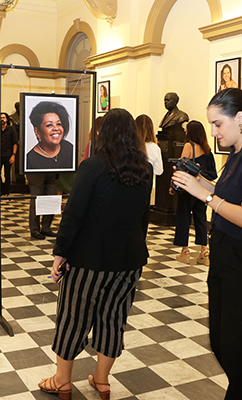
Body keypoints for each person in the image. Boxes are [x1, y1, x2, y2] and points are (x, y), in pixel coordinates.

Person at [171, 88, 242, 400]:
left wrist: (205, 195)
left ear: (240, 119)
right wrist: (194, 182)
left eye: (218, 124)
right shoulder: (238, 153)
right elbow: (229, 196)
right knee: (225, 347)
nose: (214, 131)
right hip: (227, 261)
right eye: (211, 125)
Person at [38, 108, 153, 400]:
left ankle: (62, 380)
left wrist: (59, 255)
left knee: (73, 317)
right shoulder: (144, 169)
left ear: (104, 134)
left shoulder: (92, 167)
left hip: (89, 260)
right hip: (129, 260)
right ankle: (101, 380)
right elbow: (143, 218)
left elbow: (74, 215)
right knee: (113, 318)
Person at [170, 120, 217, 265]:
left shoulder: (189, 146)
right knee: (200, 218)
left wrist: (173, 186)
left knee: (184, 216)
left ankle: (185, 250)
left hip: (189, 188)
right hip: (202, 190)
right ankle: (204, 251)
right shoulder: (207, 149)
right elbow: (213, 173)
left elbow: (181, 167)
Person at [26, 101, 74, 170]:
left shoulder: (69, 148)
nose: (56, 128)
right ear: (37, 131)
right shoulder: (30, 160)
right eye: (49, 125)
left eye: (58, 124)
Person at [0, 112, 18, 195]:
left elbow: (15, 143)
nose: (2, 119)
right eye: (0, 118)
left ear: (6, 119)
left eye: (3, 117)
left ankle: (6, 191)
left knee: (7, 174)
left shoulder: (11, 129)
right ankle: (1, 189)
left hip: (8, 155)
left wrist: (13, 155)